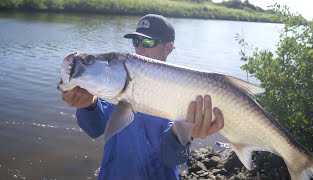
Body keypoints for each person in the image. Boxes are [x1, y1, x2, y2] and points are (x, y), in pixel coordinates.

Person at [61, 14, 224, 180]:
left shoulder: (183, 94)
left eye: (147, 42)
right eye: (136, 42)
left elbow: (172, 158)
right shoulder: (118, 84)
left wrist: (180, 133)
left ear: (168, 47)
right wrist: (89, 106)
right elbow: (94, 128)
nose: (139, 49)